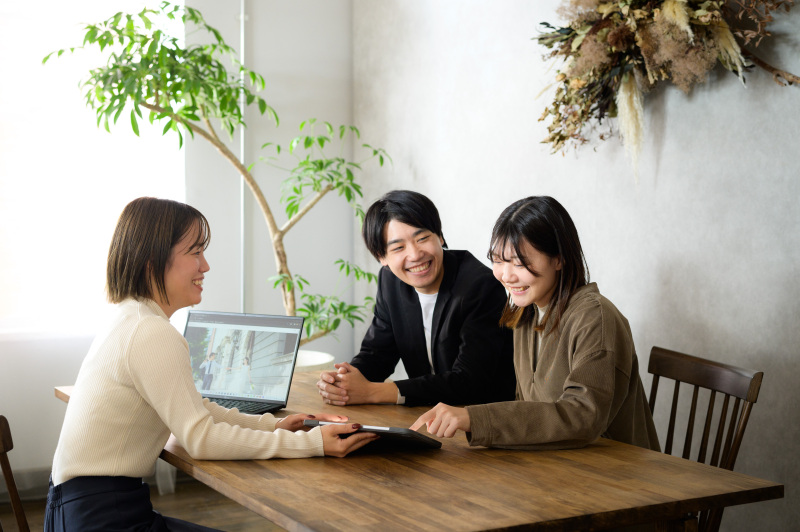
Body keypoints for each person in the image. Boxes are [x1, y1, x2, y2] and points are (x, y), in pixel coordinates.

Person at [47, 197, 377, 532]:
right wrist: (313, 443)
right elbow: (201, 438)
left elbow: (195, 411)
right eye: (195, 252)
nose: (205, 266)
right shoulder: (151, 332)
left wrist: (274, 426)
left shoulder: (132, 318)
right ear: (152, 262)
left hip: (81, 509)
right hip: (103, 519)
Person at [411, 196, 660, 452]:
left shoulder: (595, 317)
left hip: (616, 477)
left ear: (559, 259)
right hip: (552, 467)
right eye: (498, 260)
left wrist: (474, 418)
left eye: (520, 263)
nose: (506, 275)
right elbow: (526, 405)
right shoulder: (525, 312)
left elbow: (583, 416)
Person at [316, 190, 515, 407]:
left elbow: (469, 382)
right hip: (426, 415)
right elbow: (377, 354)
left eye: (422, 238)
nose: (415, 254)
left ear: (440, 236)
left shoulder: (481, 286)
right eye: (398, 247)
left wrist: (373, 392)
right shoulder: (390, 281)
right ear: (382, 257)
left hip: (482, 422)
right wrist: (345, 380)